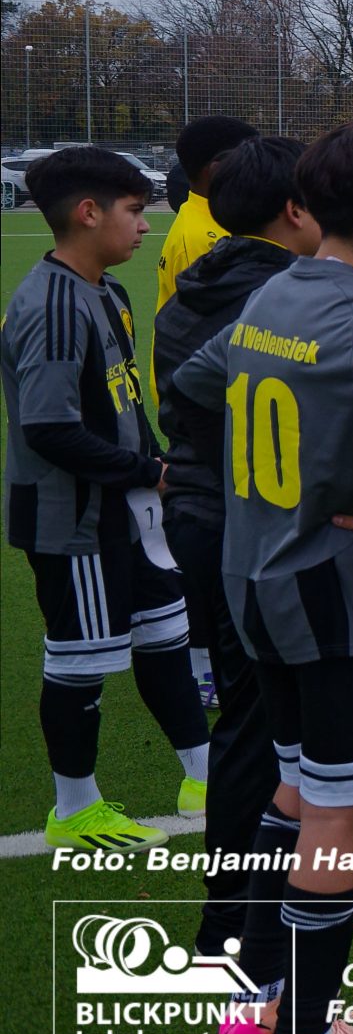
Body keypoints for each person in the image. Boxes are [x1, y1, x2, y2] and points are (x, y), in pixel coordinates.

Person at [166, 120, 353, 1034]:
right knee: (338, 814)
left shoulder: (271, 292)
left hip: (257, 585)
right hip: (338, 601)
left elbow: (194, 385)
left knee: (290, 794)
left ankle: (256, 998)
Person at [4, 148, 209, 852]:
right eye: (133, 211)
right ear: (88, 213)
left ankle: (203, 774)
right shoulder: (55, 304)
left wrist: (153, 461)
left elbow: (120, 400)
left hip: (124, 509)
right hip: (75, 521)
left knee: (165, 637)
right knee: (82, 662)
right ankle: (74, 808)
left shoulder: (105, 292)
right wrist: (141, 471)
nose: (144, 226)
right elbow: (49, 427)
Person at [152, 138, 320, 940]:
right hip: (250, 525)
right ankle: (236, 927)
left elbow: (179, 405)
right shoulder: (284, 298)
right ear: (295, 210)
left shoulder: (191, 290)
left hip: (201, 512)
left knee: (254, 721)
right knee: (261, 726)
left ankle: (249, 909)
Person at [156, 115, 260, 311]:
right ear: (216, 170)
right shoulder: (202, 240)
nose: (256, 170)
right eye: (248, 161)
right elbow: (202, 327)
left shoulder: (217, 217)